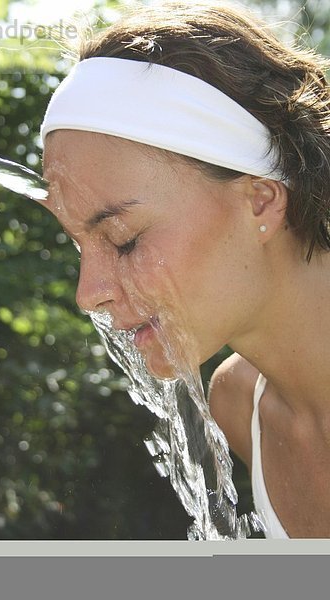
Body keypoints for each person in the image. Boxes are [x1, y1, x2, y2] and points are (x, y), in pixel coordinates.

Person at [41, 0, 330, 538]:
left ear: (262, 200)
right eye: (80, 245)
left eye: (124, 240)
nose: (88, 294)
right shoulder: (242, 407)